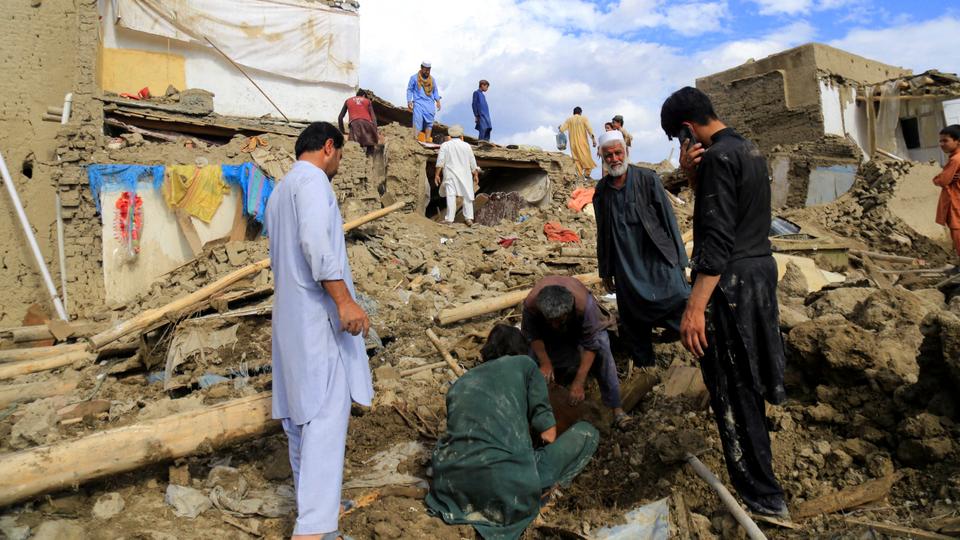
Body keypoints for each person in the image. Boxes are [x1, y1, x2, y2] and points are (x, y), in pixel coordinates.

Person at [661, 86, 788, 518]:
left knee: (734, 392)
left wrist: (694, 307)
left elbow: (715, 239)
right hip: (757, 273)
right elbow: (731, 214)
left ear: (686, 130)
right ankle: (765, 485)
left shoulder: (717, 158)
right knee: (750, 381)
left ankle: (762, 497)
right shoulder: (747, 150)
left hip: (728, 285)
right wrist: (694, 178)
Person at [265, 122, 373, 539]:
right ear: (329, 147)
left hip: (292, 324)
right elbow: (315, 244)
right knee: (326, 422)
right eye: (341, 155)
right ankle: (312, 531)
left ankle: (315, 520)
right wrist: (345, 300)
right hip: (316, 323)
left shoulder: (280, 191)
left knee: (301, 425)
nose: (339, 165)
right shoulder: (312, 183)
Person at [426, 324, 599, 540]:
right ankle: (547, 494)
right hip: (505, 489)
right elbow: (548, 434)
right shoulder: (524, 365)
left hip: (450, 488)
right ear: (520, 350)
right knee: (588, 432)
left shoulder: (460, 383)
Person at [592, 130, 690, 367]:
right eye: (609, 155)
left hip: (656, 256)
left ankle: (694, 342)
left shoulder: (647, 179)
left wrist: (681, 260)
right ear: (602, 158)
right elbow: (602, 233)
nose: (614, 159)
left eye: (618, 153)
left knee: (678, 297)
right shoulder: (602, 191)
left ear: (625, 152)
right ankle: (645, 366)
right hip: (626, 263)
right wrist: (605, 270)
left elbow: (668, 220)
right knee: (632, 316)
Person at [521, 275, 630, 428]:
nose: (554, 325)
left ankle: (616, 408)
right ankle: (533, 410)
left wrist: (579, 382)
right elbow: (532, 335)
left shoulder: (585, 306)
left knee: (602, 344)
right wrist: (545, 363)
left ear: (569, 310)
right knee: (531, 360)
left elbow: (591, 345)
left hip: (582, 326)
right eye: (550, 320)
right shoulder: (531, 304)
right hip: (547, 332)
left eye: (558, 320)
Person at [434, 125, 480, 226]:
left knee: (451, 195)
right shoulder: (466, 146)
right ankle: (469, 219)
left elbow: (440, 161)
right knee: (467, 195)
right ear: (461, 135)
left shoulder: (445, 145)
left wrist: (437, 175)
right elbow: (472, 161)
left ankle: (449, 219)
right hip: (465, 175)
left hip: (451, 175)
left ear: (450, 135)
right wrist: (475, 174)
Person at [934, 124, 960, 261]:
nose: (941, 144)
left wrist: (937, 178)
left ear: (958, 141)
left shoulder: (955, 160)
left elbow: (942, 180)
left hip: (955, 202)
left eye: (945, 141)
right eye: (940, 141)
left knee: (957, 235)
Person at [407, 61, 442, 142]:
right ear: (421, 68)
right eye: (425, 70)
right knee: (418, 121)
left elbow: (435, 91)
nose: (427, 72)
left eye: (429, 70)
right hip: (419, 103)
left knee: (429, 123)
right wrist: (409, 101)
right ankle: (415, 140)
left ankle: (427, 140)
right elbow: (410, 90)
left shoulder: (432, 80)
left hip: (430, 104)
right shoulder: (414, 78)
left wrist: (438, 101)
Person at [337, 89, 379, 156]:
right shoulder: (367, 101)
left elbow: (340, 117)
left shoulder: (348, 101)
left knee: (354, 146)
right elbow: (374, 118)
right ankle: (369, 160)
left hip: (354, 124)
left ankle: (358, 161)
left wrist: (342, 131)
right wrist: (375, 131)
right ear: (364, 95)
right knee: (371, 144)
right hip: (367, 124)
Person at [559, 107, 597, 179]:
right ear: (580, 112)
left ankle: (580, 176)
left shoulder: (569, 120)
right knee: (586, 157)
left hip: (573, 144)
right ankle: (587, 173)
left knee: (576, 160)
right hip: (583, 143)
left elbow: (562, 129)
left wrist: (559, 127)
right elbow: (589, 129)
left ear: (573, 112)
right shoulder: (583, 118)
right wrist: (593, 140)